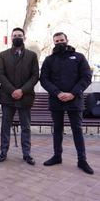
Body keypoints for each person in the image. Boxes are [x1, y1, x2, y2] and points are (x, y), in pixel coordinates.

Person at [40, 32, 94, 174]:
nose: (60, 43)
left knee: (77, 130)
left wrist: (72, 93)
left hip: (75, 100)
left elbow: (86, 77)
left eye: (62, 40)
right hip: (56, 100)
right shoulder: (49, 60)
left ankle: (82, 160)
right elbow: (44, 79)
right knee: (57, 130)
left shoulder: (79, 57)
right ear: (54, 43)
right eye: (57, 41)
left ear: (67, 40)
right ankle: (57, 156)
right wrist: (57, 93)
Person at [0, 27, 39, 165]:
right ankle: (3, 151)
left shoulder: (32, 55)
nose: (17, 37)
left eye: (19, 35)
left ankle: (26, 154)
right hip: (7, 96)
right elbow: (0, 74)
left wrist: (22, 90)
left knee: (25, 126)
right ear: (11, 38)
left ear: (24, 37)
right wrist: (12, 90)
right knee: (5, 126)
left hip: (25, 97)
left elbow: (35, 76)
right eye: (14, 35)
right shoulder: (3, 55)